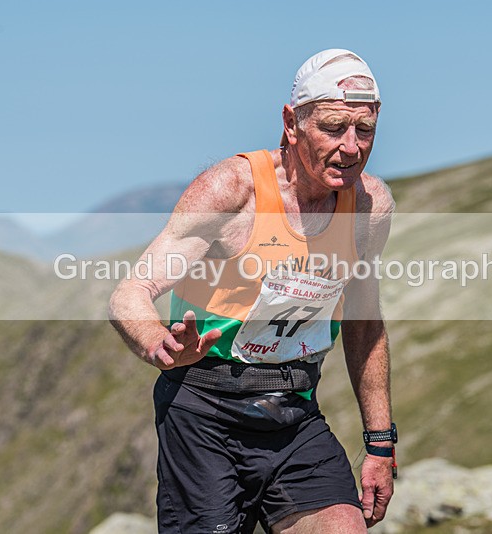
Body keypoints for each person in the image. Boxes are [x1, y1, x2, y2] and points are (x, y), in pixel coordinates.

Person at [109, 48, 396, 534]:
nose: (351, 147)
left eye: (363, 130)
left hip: (293, 411)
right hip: (204, 413)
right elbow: (129, 293)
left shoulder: (368, 206)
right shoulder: (232, 191)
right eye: (332, 128)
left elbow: (364, 325)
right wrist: (158, 344)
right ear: (291, 122)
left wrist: (380, 443)